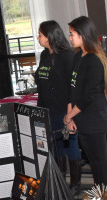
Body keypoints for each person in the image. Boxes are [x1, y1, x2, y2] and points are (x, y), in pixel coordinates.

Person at [34, 20, 81, 191]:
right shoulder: (44, 55)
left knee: (71, 145)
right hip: (48, 108)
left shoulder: (68, 56)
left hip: (64, 109)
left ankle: (75, 184)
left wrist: (70, 115)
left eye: (40, 34)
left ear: (49, 36)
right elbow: (42, 82)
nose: (38, 37)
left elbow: (73, 87)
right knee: (57, 145)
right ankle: (61, 181)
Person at [65, 16, 107, 185]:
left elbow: (87, 97)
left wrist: (69, 116)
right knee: (94, 161)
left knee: (100, 164)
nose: (70, 37)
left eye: (72, 34)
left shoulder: (94, 61)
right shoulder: (78, 57)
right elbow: (72, 89)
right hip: (81, 118)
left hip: (94, 120)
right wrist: (70, 116)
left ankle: (102, 194)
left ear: (82, 34)